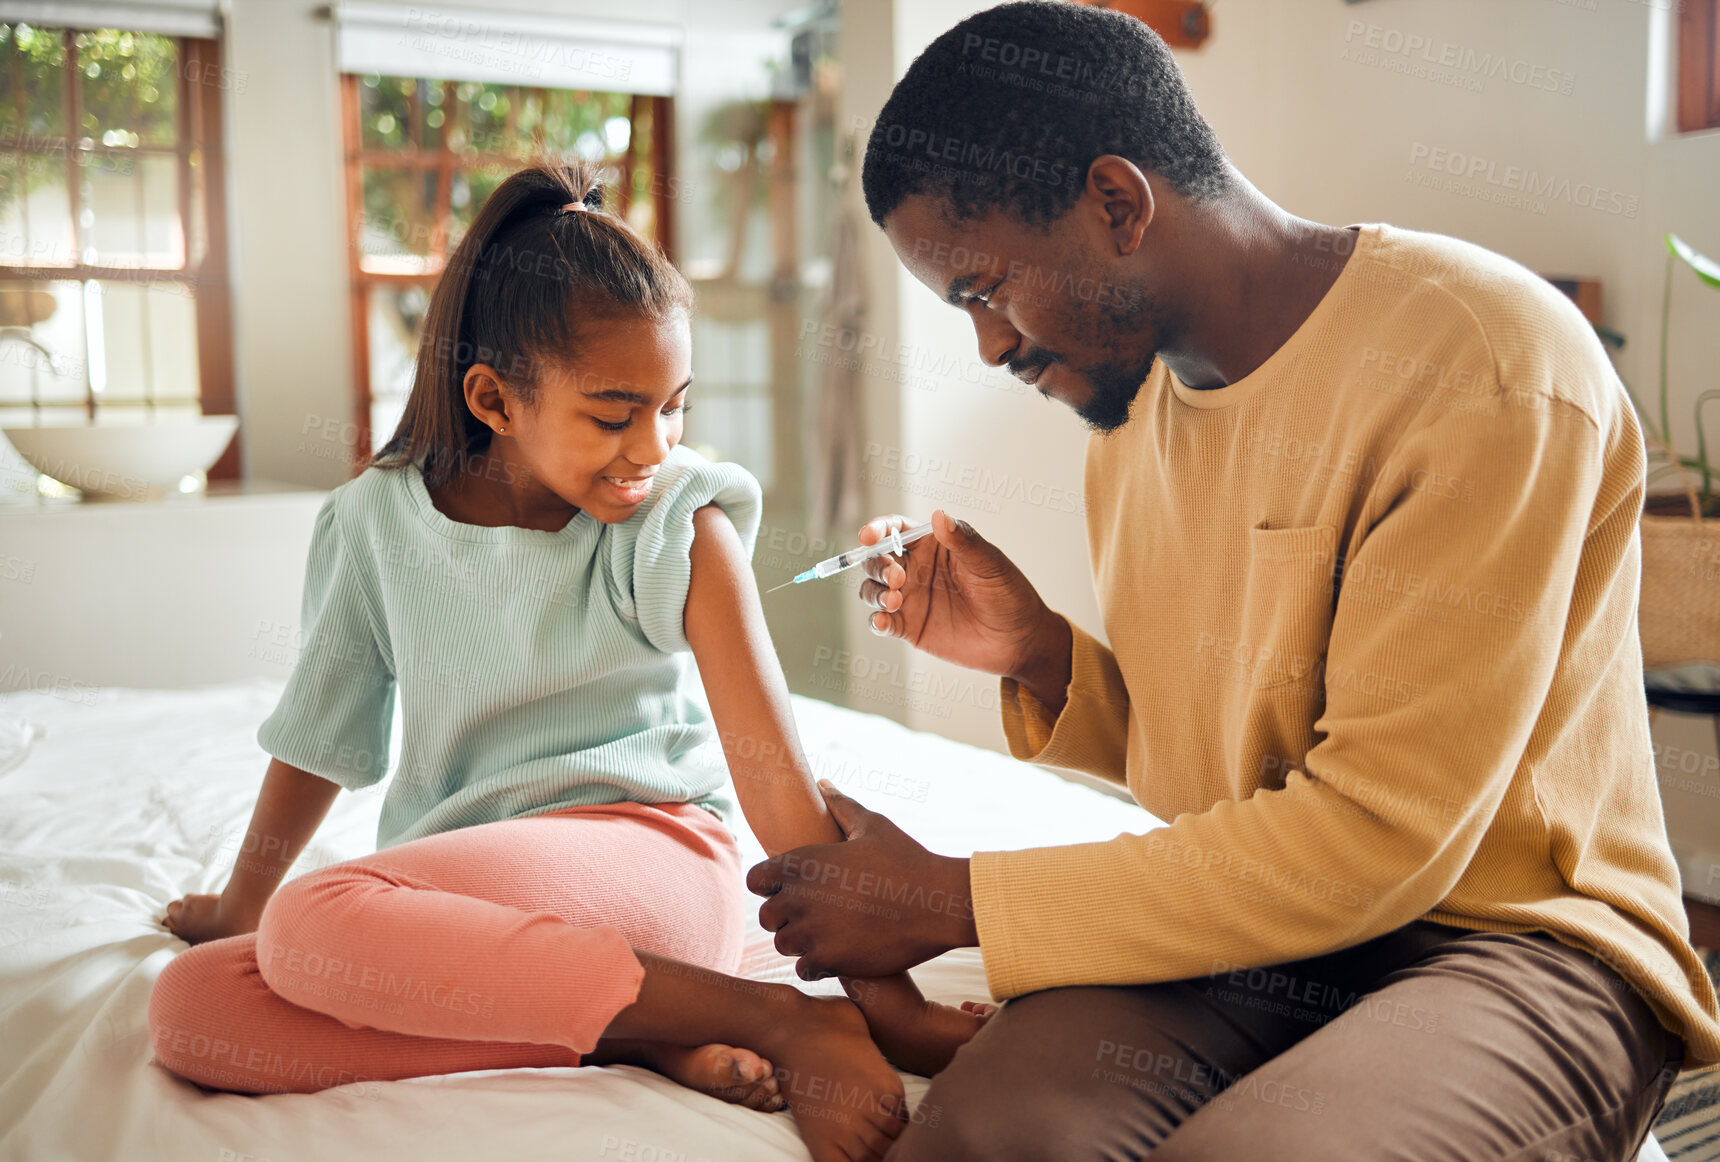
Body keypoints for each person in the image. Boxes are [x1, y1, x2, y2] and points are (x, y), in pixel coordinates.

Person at [745, 3, 1720, 1159]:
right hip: (1269, 932)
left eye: (983, 290)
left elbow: (1373, 834)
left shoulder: (1484, 363)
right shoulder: (1136, 413)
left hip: (1515, 937)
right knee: (985, 1141)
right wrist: (1042, 657)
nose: (992, 349)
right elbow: (1231, 774)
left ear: (1117, 202)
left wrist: (954, 898)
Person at [145, 158, 962, 1162]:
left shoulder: (678, 518)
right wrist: (238, 905)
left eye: (675, 407)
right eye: (614, 414)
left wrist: (891, 1007)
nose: (652, 446)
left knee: (318, 918)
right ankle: (645, 1028)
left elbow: (776, 787)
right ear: (493, 398)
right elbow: (318, 737)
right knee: (194, 1009)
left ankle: (776, 1018)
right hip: (467, 910)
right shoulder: (371, 523)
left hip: (653, 858)